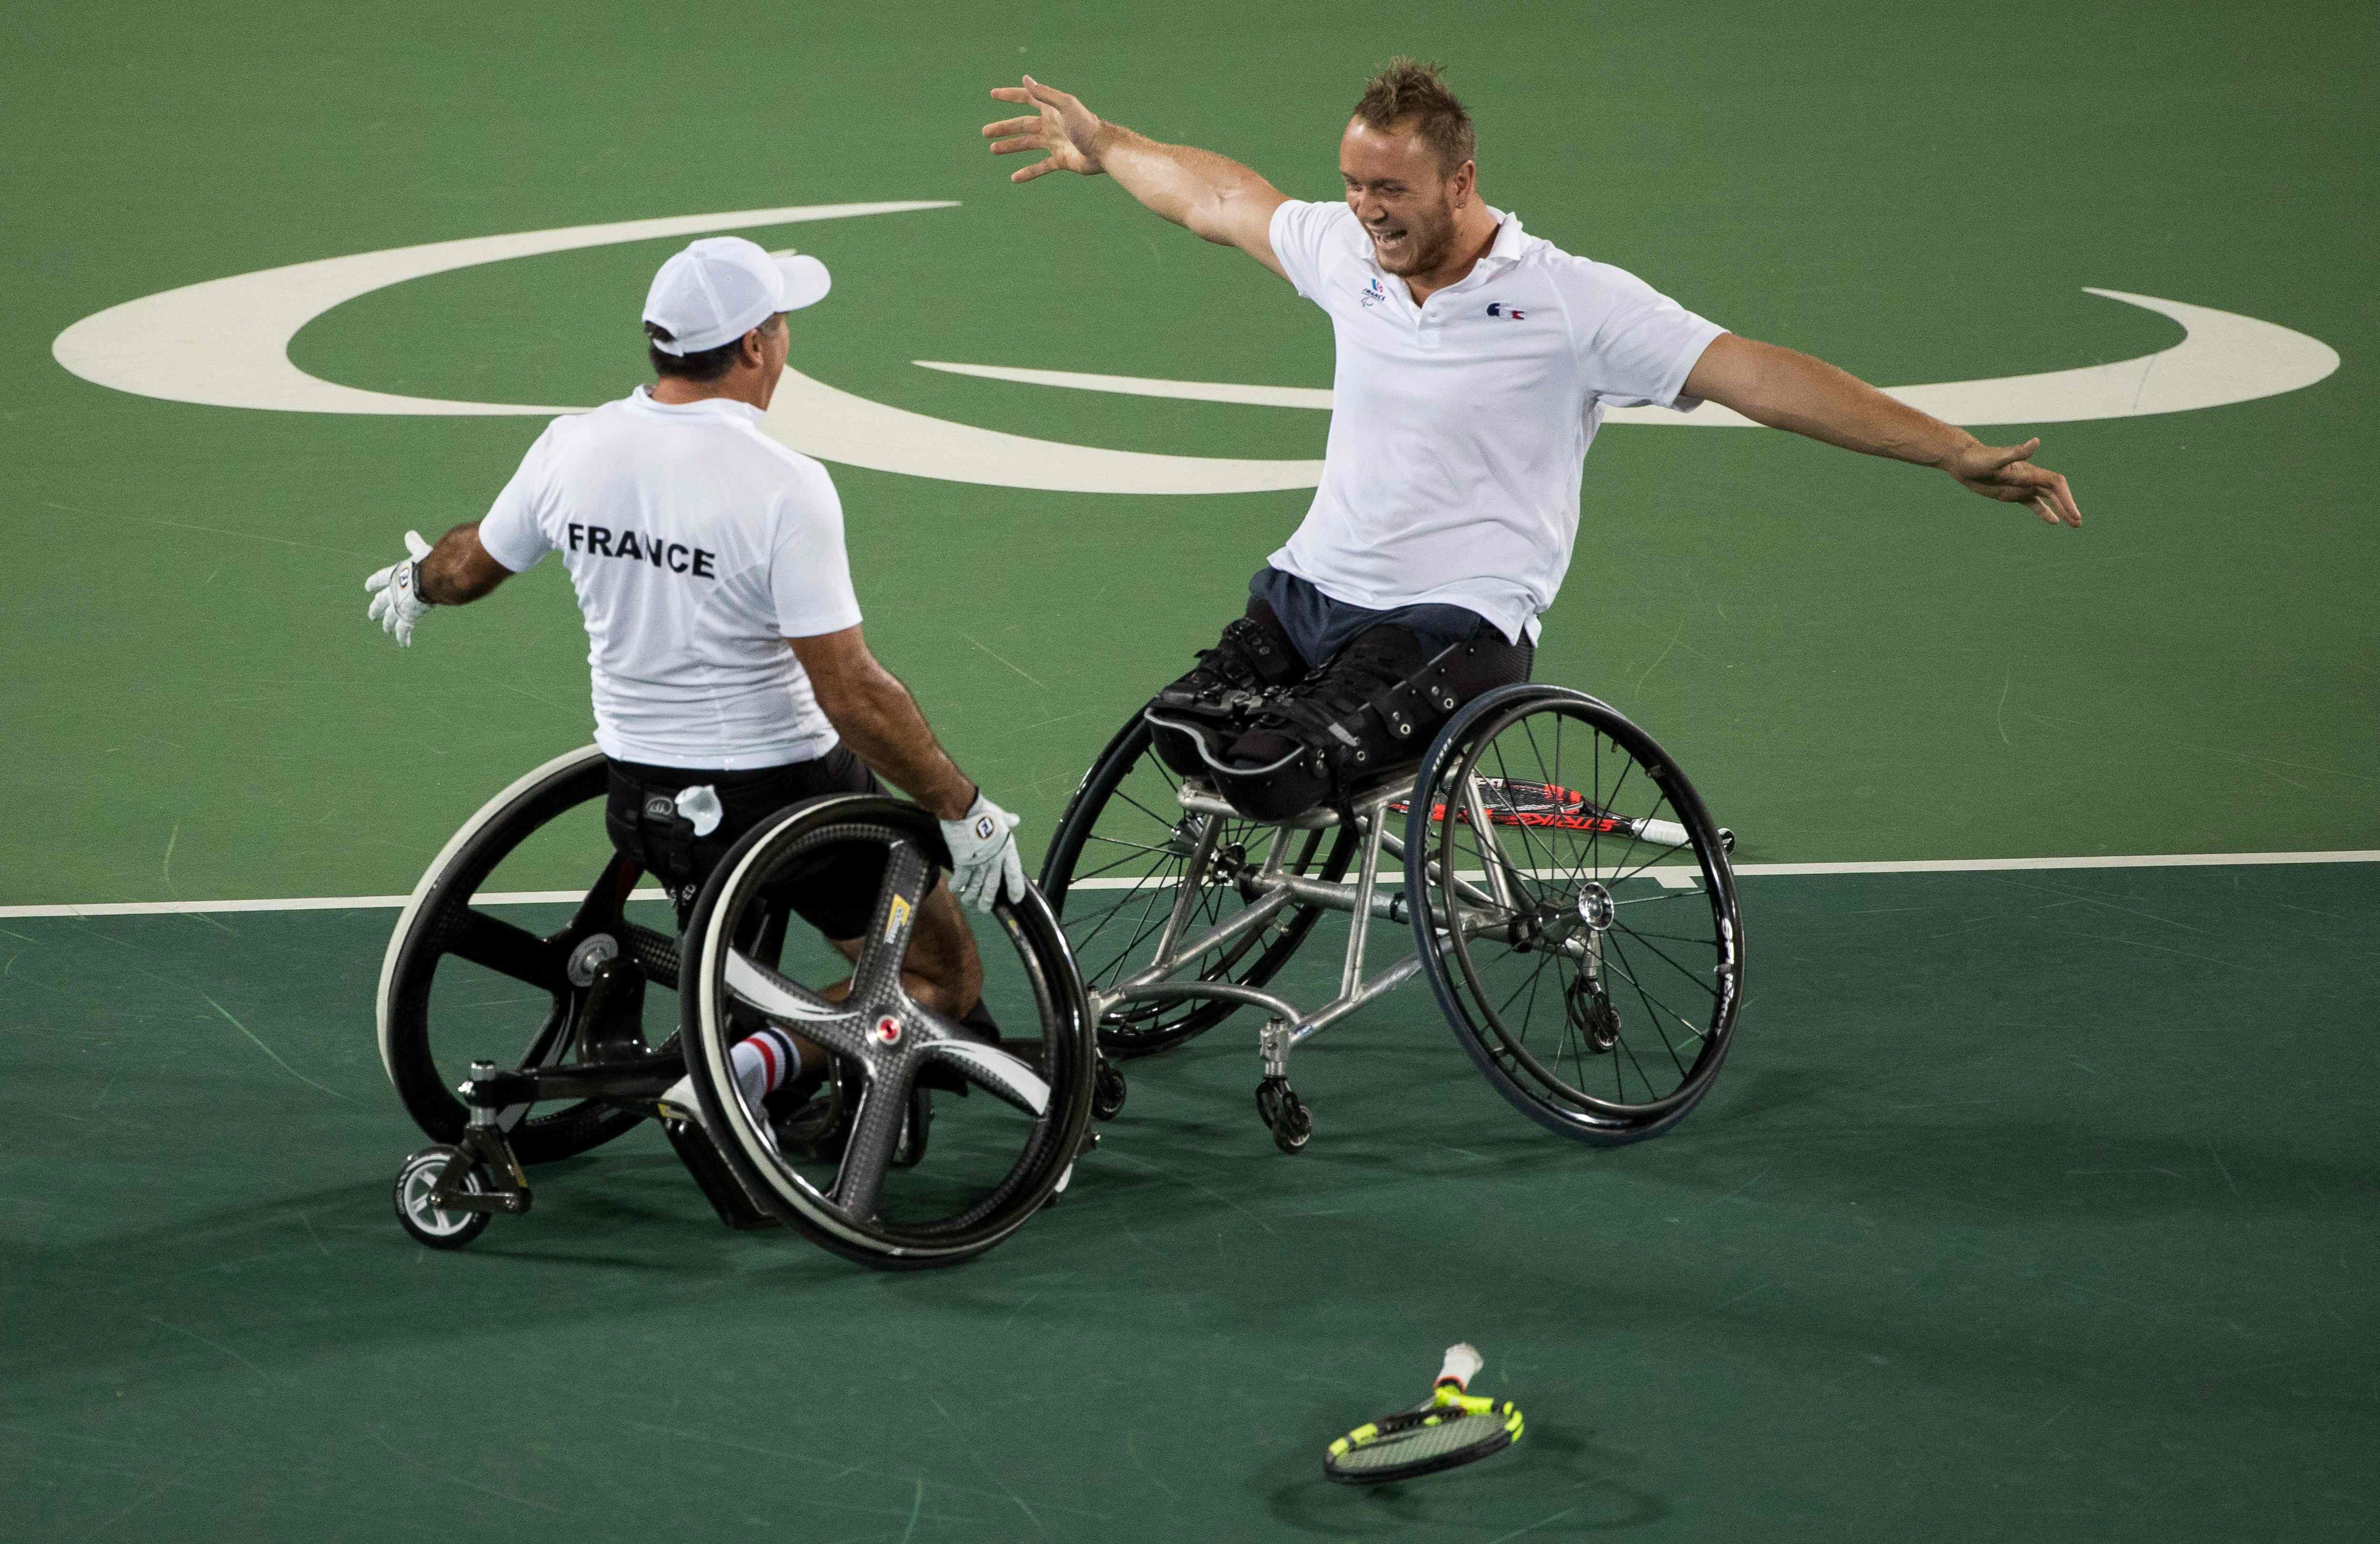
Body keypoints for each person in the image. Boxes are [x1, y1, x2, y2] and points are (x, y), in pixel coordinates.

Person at [982, 61, 2082, 816]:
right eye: (1354, 184)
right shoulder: (1345, 252)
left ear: (1461, 181)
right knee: (1181, 733)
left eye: (1392, 189)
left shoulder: (1572, 303)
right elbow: (1219, 198)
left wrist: (1949, 447)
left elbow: (1759, 376)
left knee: (1281, 769)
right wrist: (1108, 142)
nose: (1366, 209)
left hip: (1452, 620)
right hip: (1310, 590)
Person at [362, 235, 1027, 1145]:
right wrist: (963, 807)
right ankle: (741, 1074)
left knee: (759, 922)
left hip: (640, 806)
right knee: (939, 979)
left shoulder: (572, 447)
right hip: (791, 804)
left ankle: (752, 1052)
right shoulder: (785, 486)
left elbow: (469, 566)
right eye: (781, 323)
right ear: (754, 347)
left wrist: (417, 583)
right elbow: (853, 693)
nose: (786, 340)